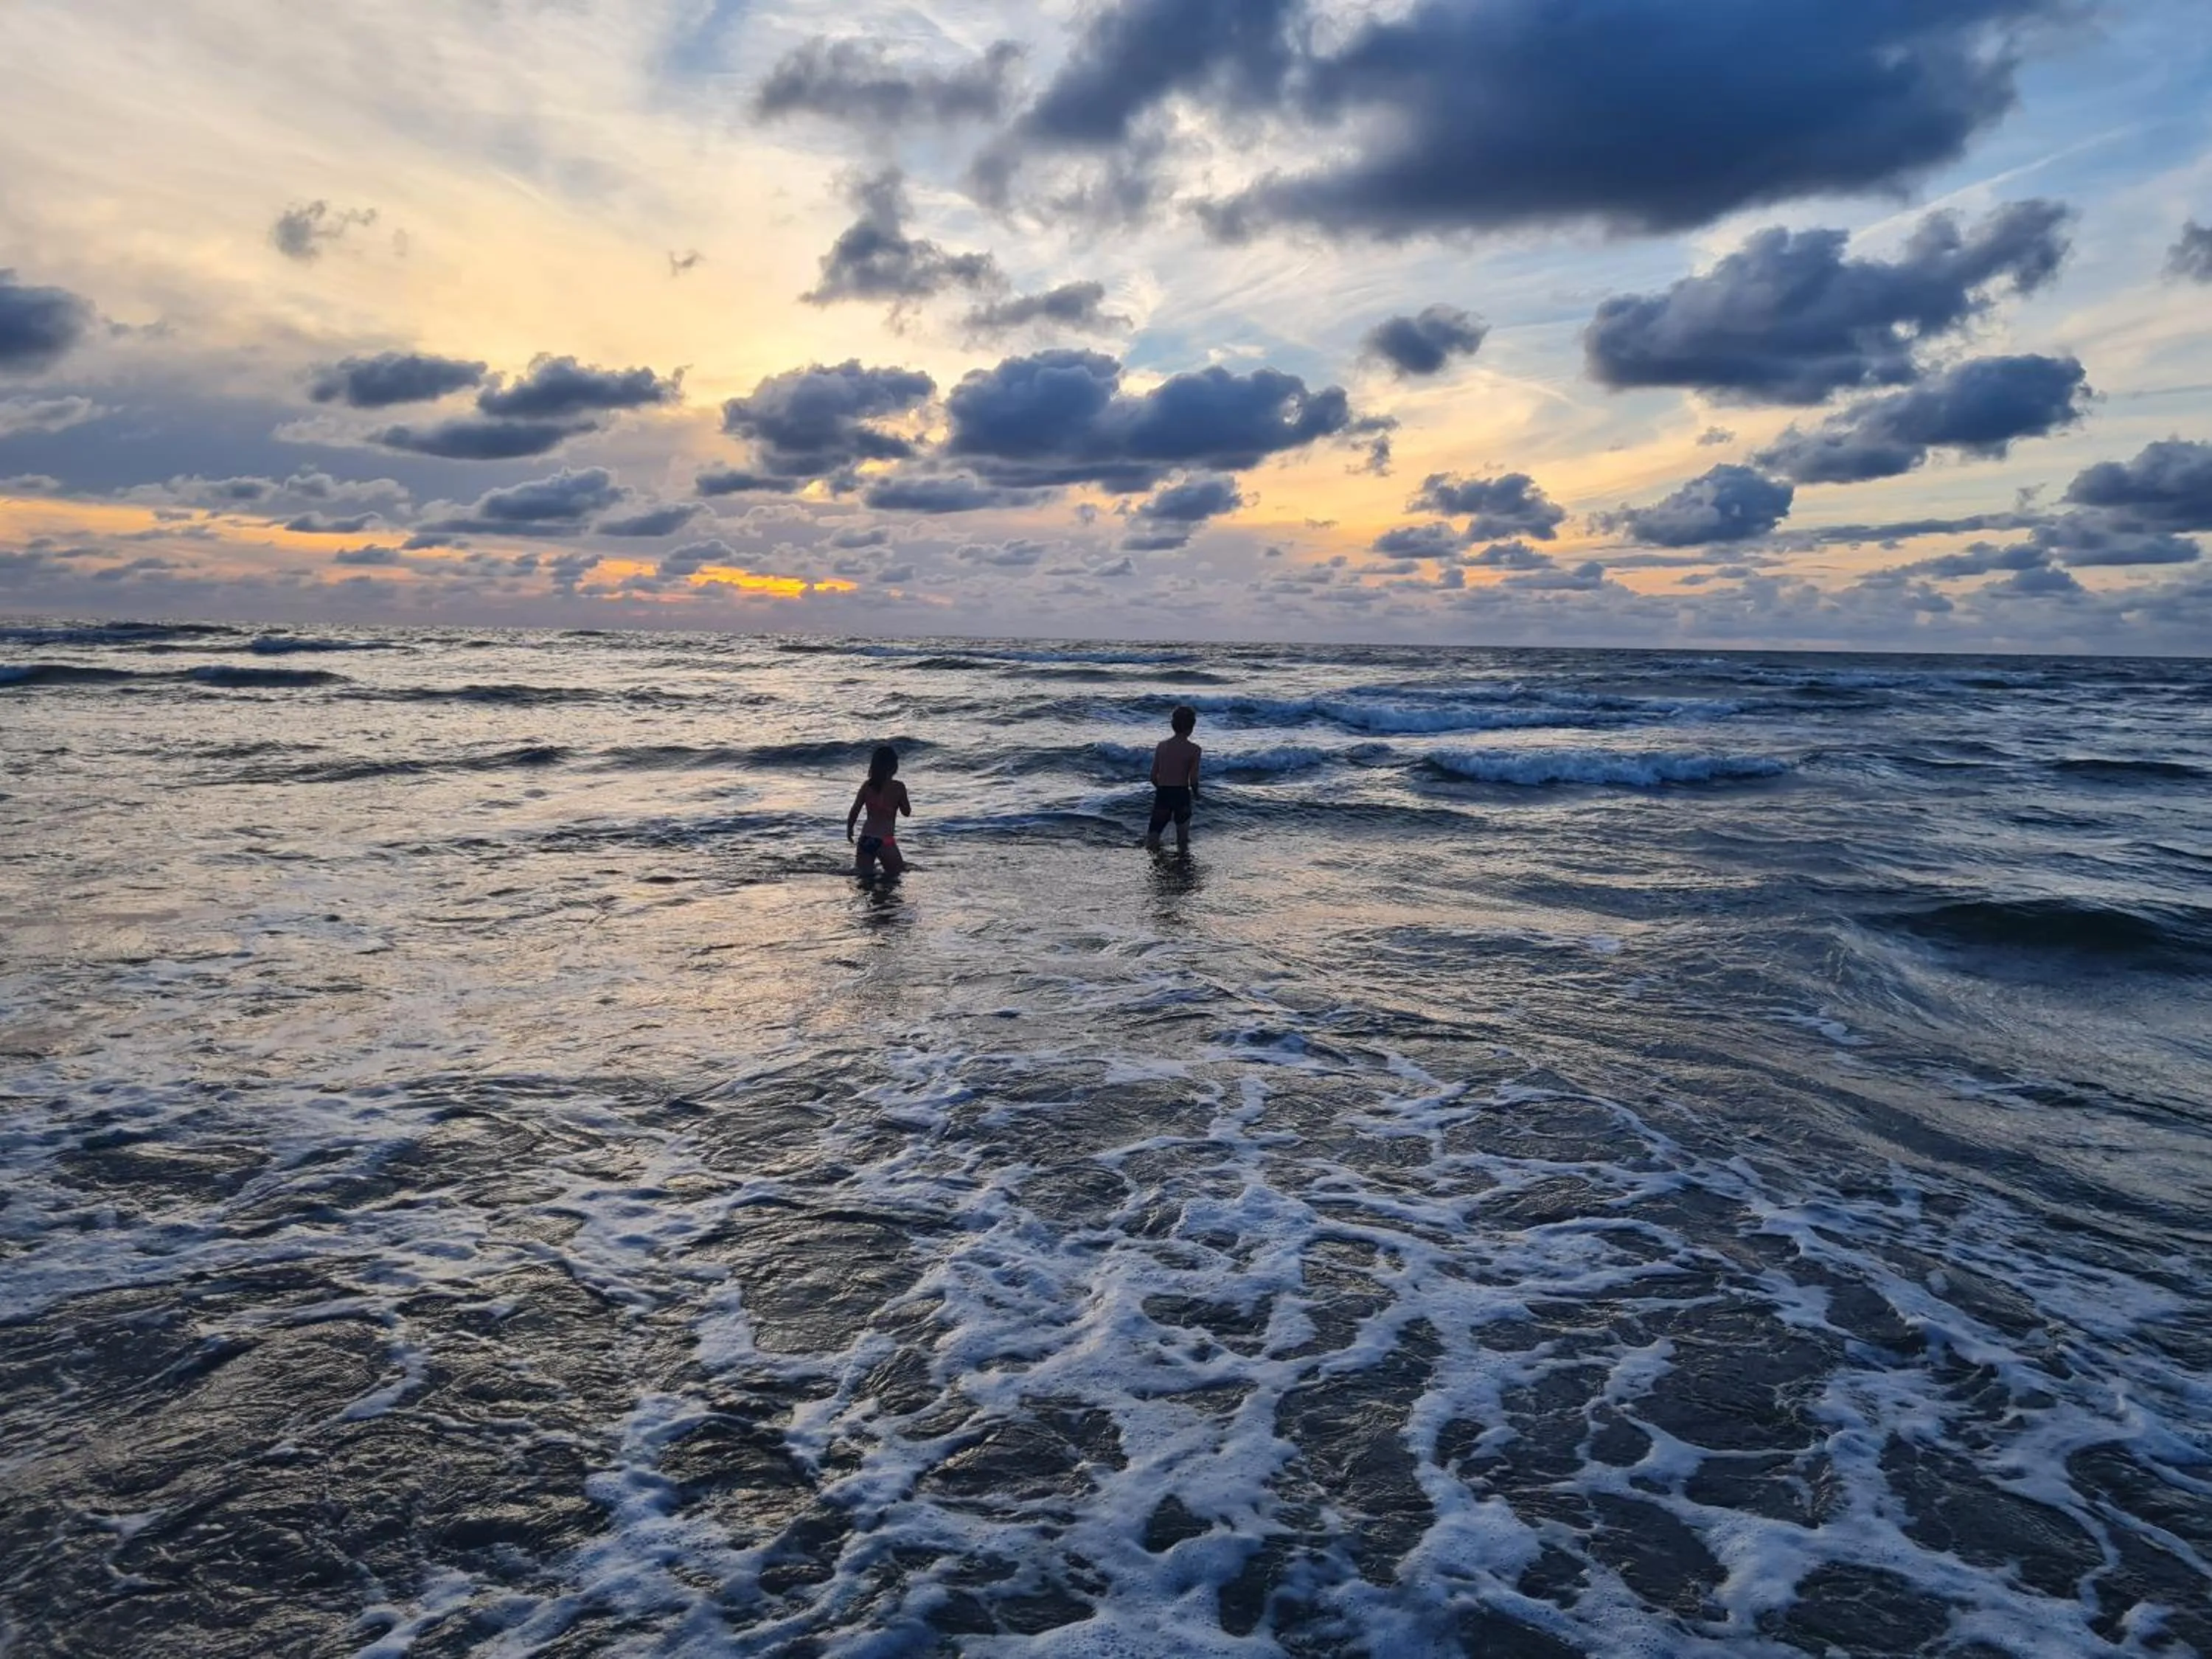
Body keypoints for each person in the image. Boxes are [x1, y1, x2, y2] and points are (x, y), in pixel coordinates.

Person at [1144, 705, 1202, 855]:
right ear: (1192, 727)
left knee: (1153, 837)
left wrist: (1162, 789)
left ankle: (1156, 865)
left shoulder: (1162, 746)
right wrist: (1196, 794)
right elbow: (1193, 779)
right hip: (1181, 794)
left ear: (1173, 725)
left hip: (1163, 793)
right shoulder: (1194, 750)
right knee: (1182, 839)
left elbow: (1152, 777)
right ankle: (1182, 865)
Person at [847, 744, 911, 878]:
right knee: (896, 875)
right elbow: (907, 812)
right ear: (894, 767)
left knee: (864, 879)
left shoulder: (867, 785)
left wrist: (850, 829)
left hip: (866, 838)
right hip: (885, 840)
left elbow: (855, 810)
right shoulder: (898, 787)